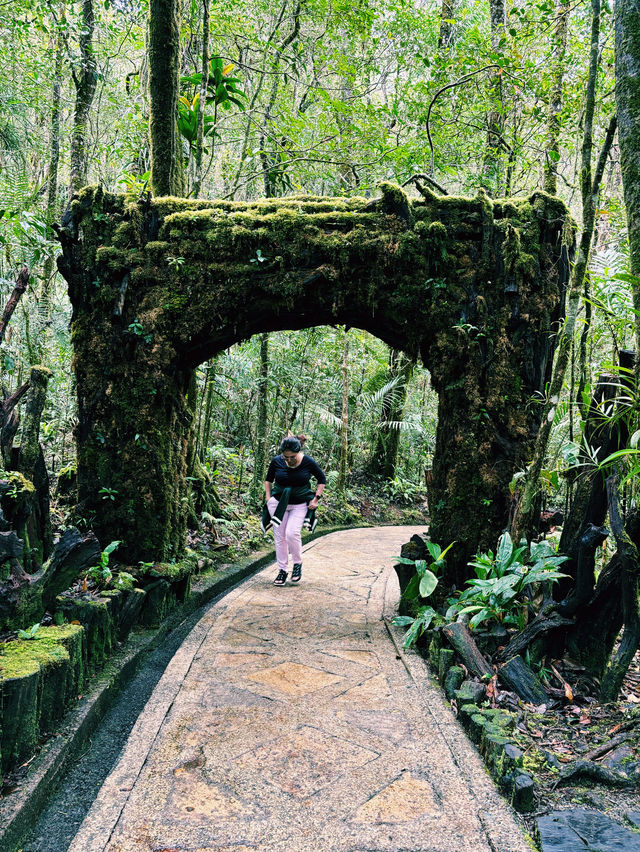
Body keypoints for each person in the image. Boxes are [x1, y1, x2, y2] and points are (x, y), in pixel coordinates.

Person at [262, 434, 326, 585]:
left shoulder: (308, 462)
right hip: (278, 504)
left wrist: (316, 499)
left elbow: (321, 479)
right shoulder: (276, 461)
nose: (289, 460)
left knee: (292, 533)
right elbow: (268, 480)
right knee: (280, 537)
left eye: (292, 457)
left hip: (299, 504)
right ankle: (282, 570)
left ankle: (297, 564)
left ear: (298, 452)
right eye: (286, 457)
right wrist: (268, 498)